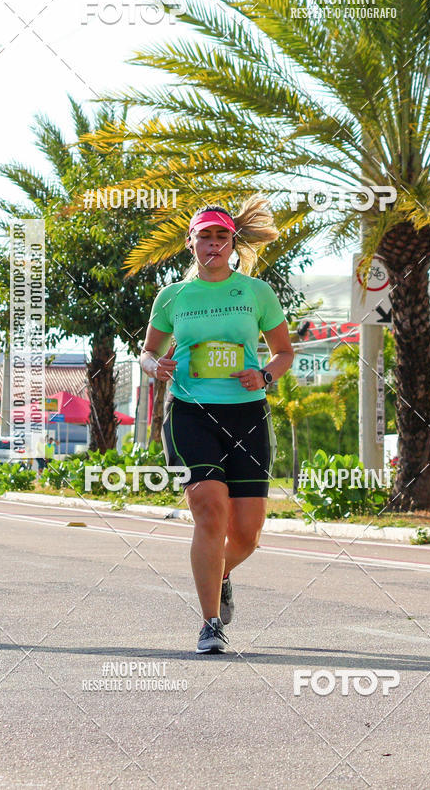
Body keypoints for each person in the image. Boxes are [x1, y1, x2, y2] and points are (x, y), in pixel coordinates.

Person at [140, 195, 294, 653]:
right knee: (210, 510)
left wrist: (264, 375)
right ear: (190, 243)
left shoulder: (256, 292)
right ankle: (210, 623)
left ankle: (222, 572)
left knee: (246, 533)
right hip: (190, 411)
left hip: (246, 413)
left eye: (220, 236)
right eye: (203, 236)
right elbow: (149, 351)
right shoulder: (173, 296)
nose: (212, 244)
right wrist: (154, 367)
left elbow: (284, 352)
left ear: (233, 243)